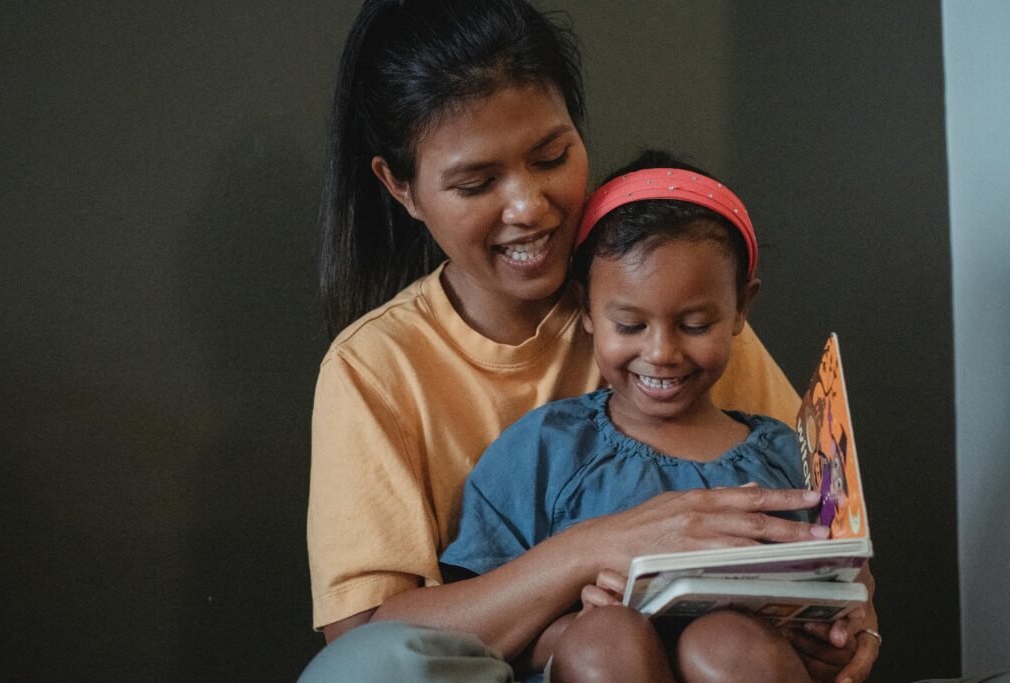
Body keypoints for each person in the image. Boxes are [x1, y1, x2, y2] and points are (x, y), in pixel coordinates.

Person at [302, 1, 879, 681]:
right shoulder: (374, 367)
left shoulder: (672, 294)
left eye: (551, 157)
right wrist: (594, 548)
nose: (529, 206)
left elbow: (815, 522)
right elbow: (364, 642)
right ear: (401, 186)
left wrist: (847, 614)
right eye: (477, 182)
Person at [441, 150, 848, 682]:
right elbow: (477, 632)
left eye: (696, 324)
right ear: (587, 309)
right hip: (599, 662)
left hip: (743, 661)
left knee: (724, 643)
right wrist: (572, 629)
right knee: (607, 638)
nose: (661, 353)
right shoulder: (547, 448)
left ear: (741, 309)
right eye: (631, 326)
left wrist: (840, 625)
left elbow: (842, 587)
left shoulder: (786, 456)